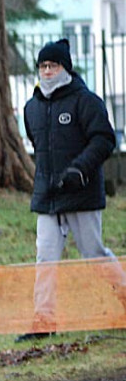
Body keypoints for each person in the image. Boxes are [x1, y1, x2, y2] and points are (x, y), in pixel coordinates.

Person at [18, 38, 126, 341]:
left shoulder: (86, 101)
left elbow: (104, 139)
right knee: (45, 258)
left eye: (53, 65)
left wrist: (80, 169)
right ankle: (44, 322)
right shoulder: (31, 108)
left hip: (82, 193)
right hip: (48, 198)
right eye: (42, 66)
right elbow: (38, 147)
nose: (47, 71)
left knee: (93, 254)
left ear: (65, 68)